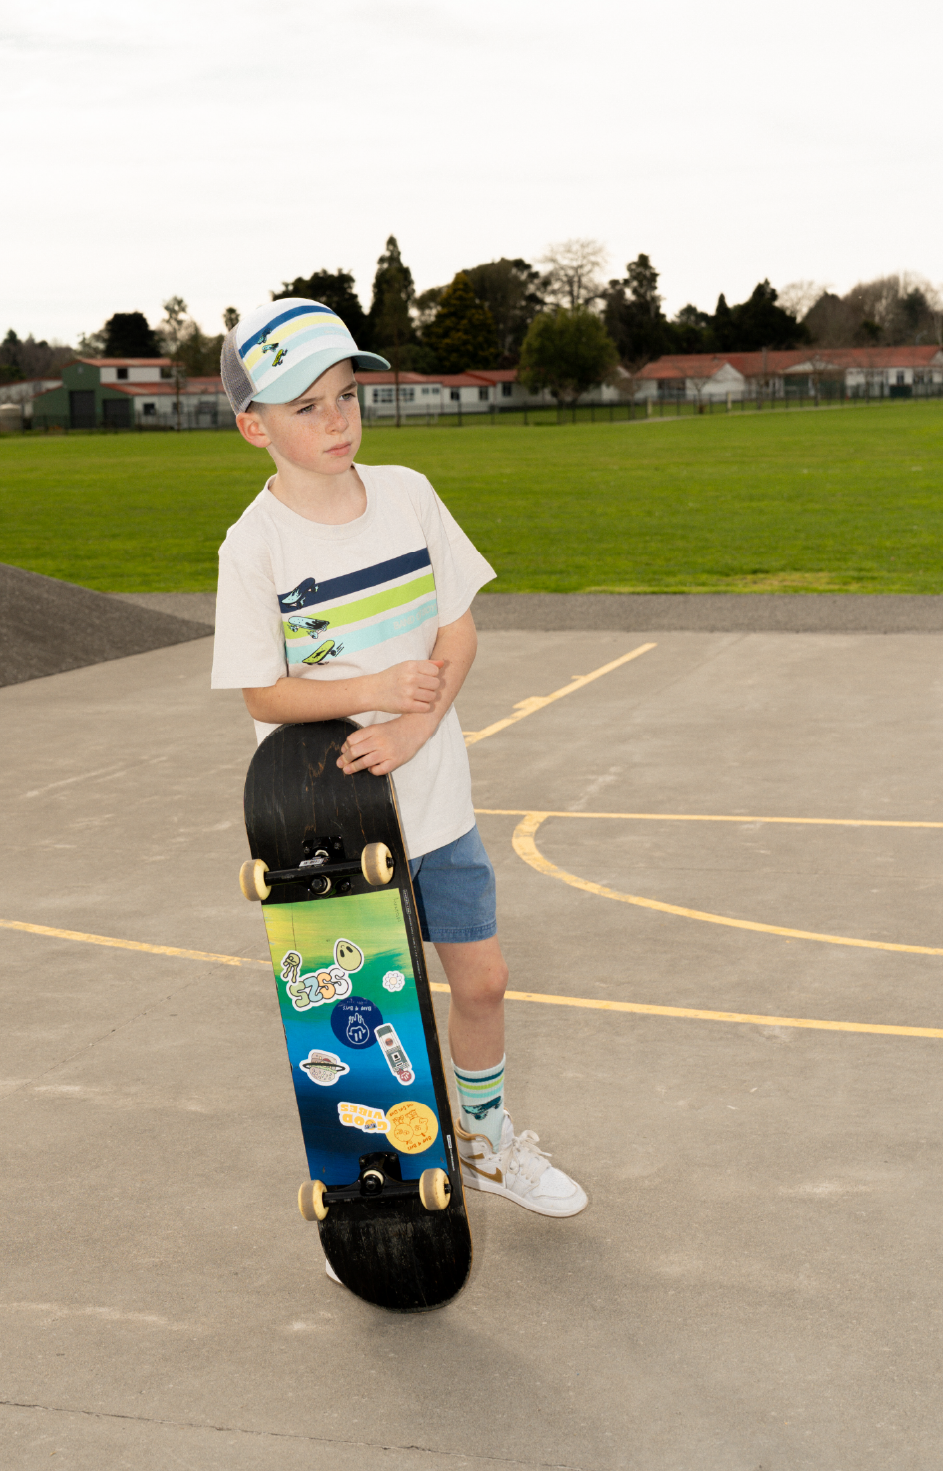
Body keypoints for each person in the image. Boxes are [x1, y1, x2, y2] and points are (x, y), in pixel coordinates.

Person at [211, 299, 587, 1251]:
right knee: (363, 1028)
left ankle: (485, 1141)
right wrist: (372, 685)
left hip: (437, 802)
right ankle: (373, 1209)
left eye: (346, 395)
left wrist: (416, 719)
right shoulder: (253, 546)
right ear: (255, 425)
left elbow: (457, 628)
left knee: (484, 981)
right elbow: (261, 693)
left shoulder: (411, 495)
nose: (336, 420)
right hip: (334, 829)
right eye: (306, 406)